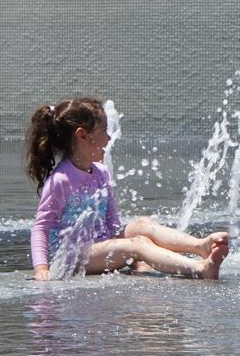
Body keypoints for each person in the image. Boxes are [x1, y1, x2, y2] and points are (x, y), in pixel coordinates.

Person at [25, 97, 229, 281]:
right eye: (104, 130)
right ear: (83, 136)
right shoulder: (60, 180)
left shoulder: (101, 173)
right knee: (138, 243)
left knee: (143, 224)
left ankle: (199, 246)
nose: (108, 138)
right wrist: (41, 268)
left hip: (99, 247)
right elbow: (40, 227)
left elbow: (113, 225)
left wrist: (130, 256)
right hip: (73, 256)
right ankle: (199, 269)